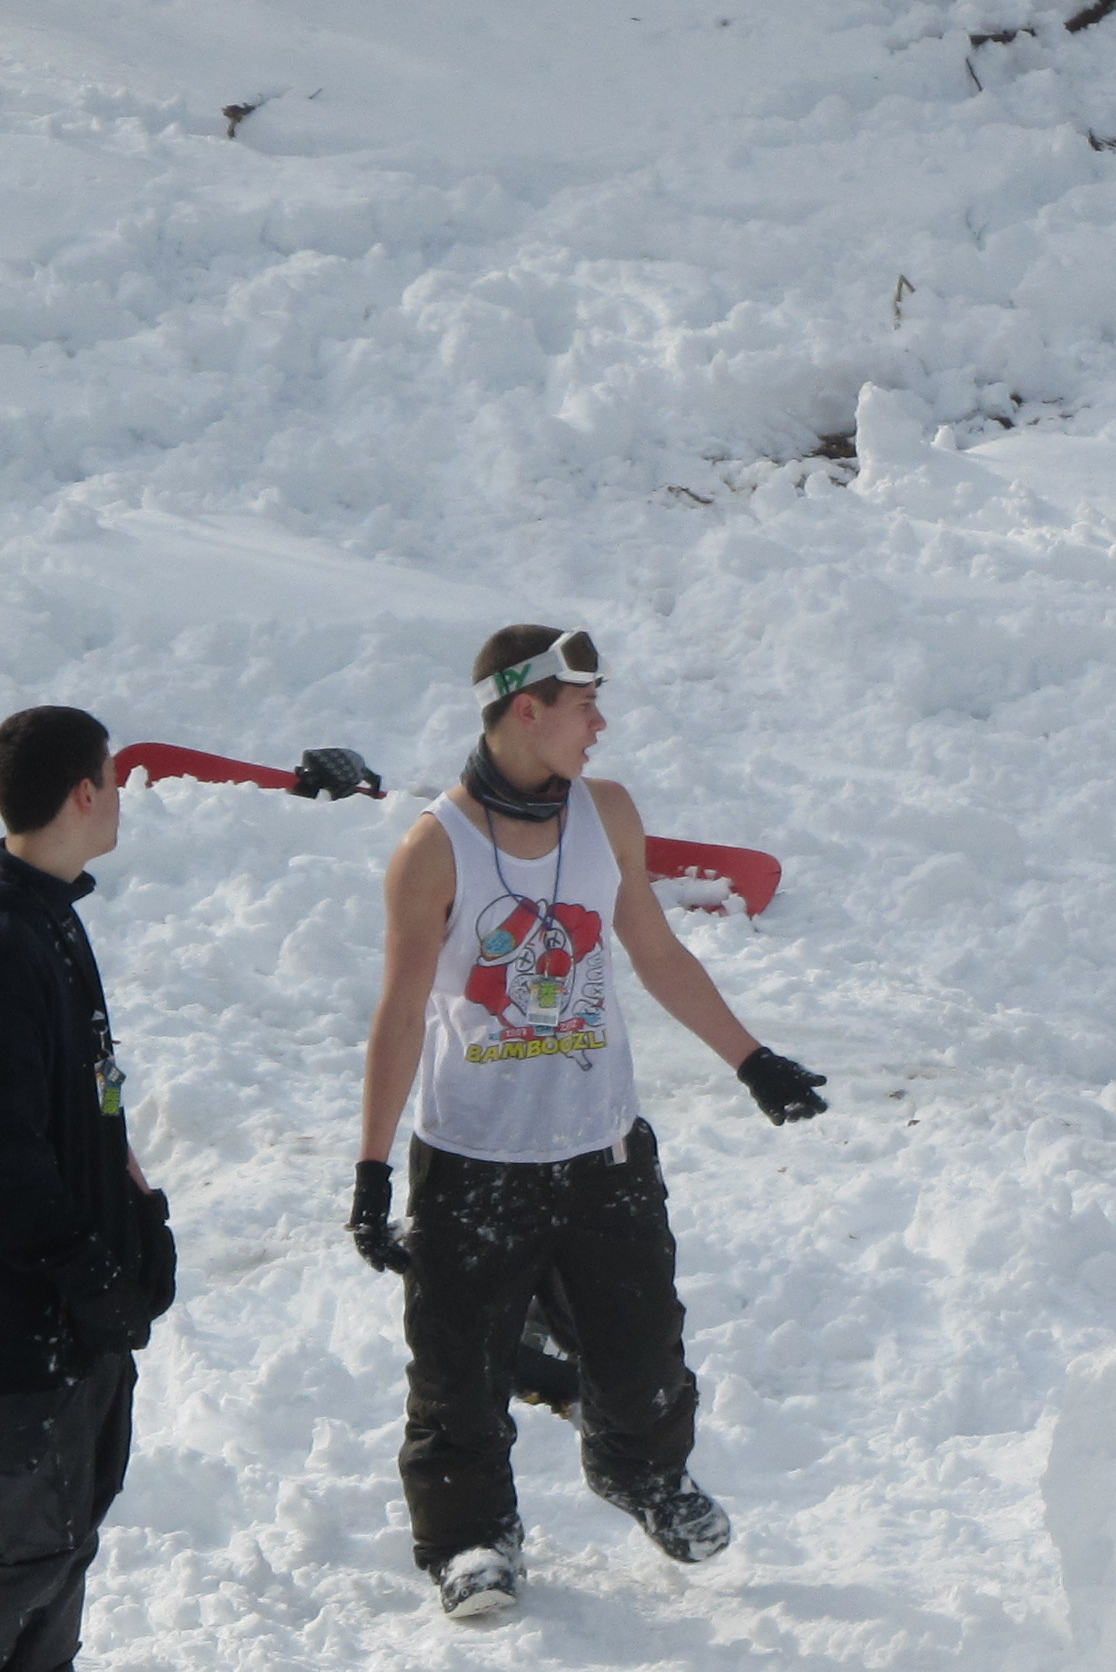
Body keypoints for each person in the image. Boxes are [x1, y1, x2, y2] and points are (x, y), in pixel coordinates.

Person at [345, 627, 830, 1619]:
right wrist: (371, 1168)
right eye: (585, 706)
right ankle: (471, 1537)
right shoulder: (435, 850)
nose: (600, 724)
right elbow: (398, 1012)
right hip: (474, 1160)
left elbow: (654, 950)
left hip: (602, 1148)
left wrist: (752, 1059)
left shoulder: (607, 815)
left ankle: (640, 1471)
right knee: (458, 1374)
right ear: (527, 709)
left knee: (643, 1354)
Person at [0, 708, 172, 1672]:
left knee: (72, 1517)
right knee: (24, 1539)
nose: (119, 796)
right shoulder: (8, 941)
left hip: (79, 1312)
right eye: (112, 778)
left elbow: (86, 1101)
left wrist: (139, 1217)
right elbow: (7, 1148)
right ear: (82, 792)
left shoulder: (54, 916)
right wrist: (83, 1268)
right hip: (26, 1323)